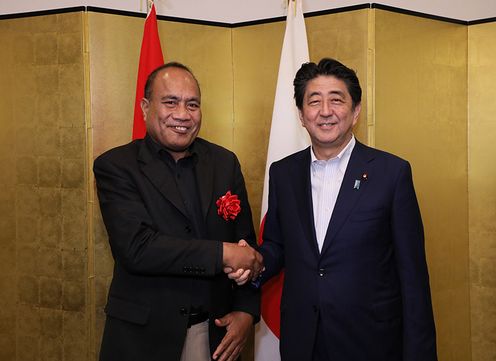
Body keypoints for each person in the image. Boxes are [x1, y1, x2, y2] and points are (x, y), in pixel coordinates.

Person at [232, 58, 437, 360]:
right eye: (314, 102)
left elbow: (413, 277)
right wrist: (254, 262)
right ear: (301, 115)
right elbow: (277, 245)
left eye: (336, 100)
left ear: (355, 112)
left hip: (371, 342)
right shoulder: (284, 173)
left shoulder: (391, 173)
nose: (325, 111)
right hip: (303, 339)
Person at [93, 61, 263, 361]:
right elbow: (137, 248)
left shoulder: (224, 163)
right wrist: (221, 254)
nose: (182, 115)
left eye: (192, 104)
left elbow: (246, 247)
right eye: (170, 102)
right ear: (146, 107)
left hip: (214, 334)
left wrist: (247, 311)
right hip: (143, 339)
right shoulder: (116, 167)